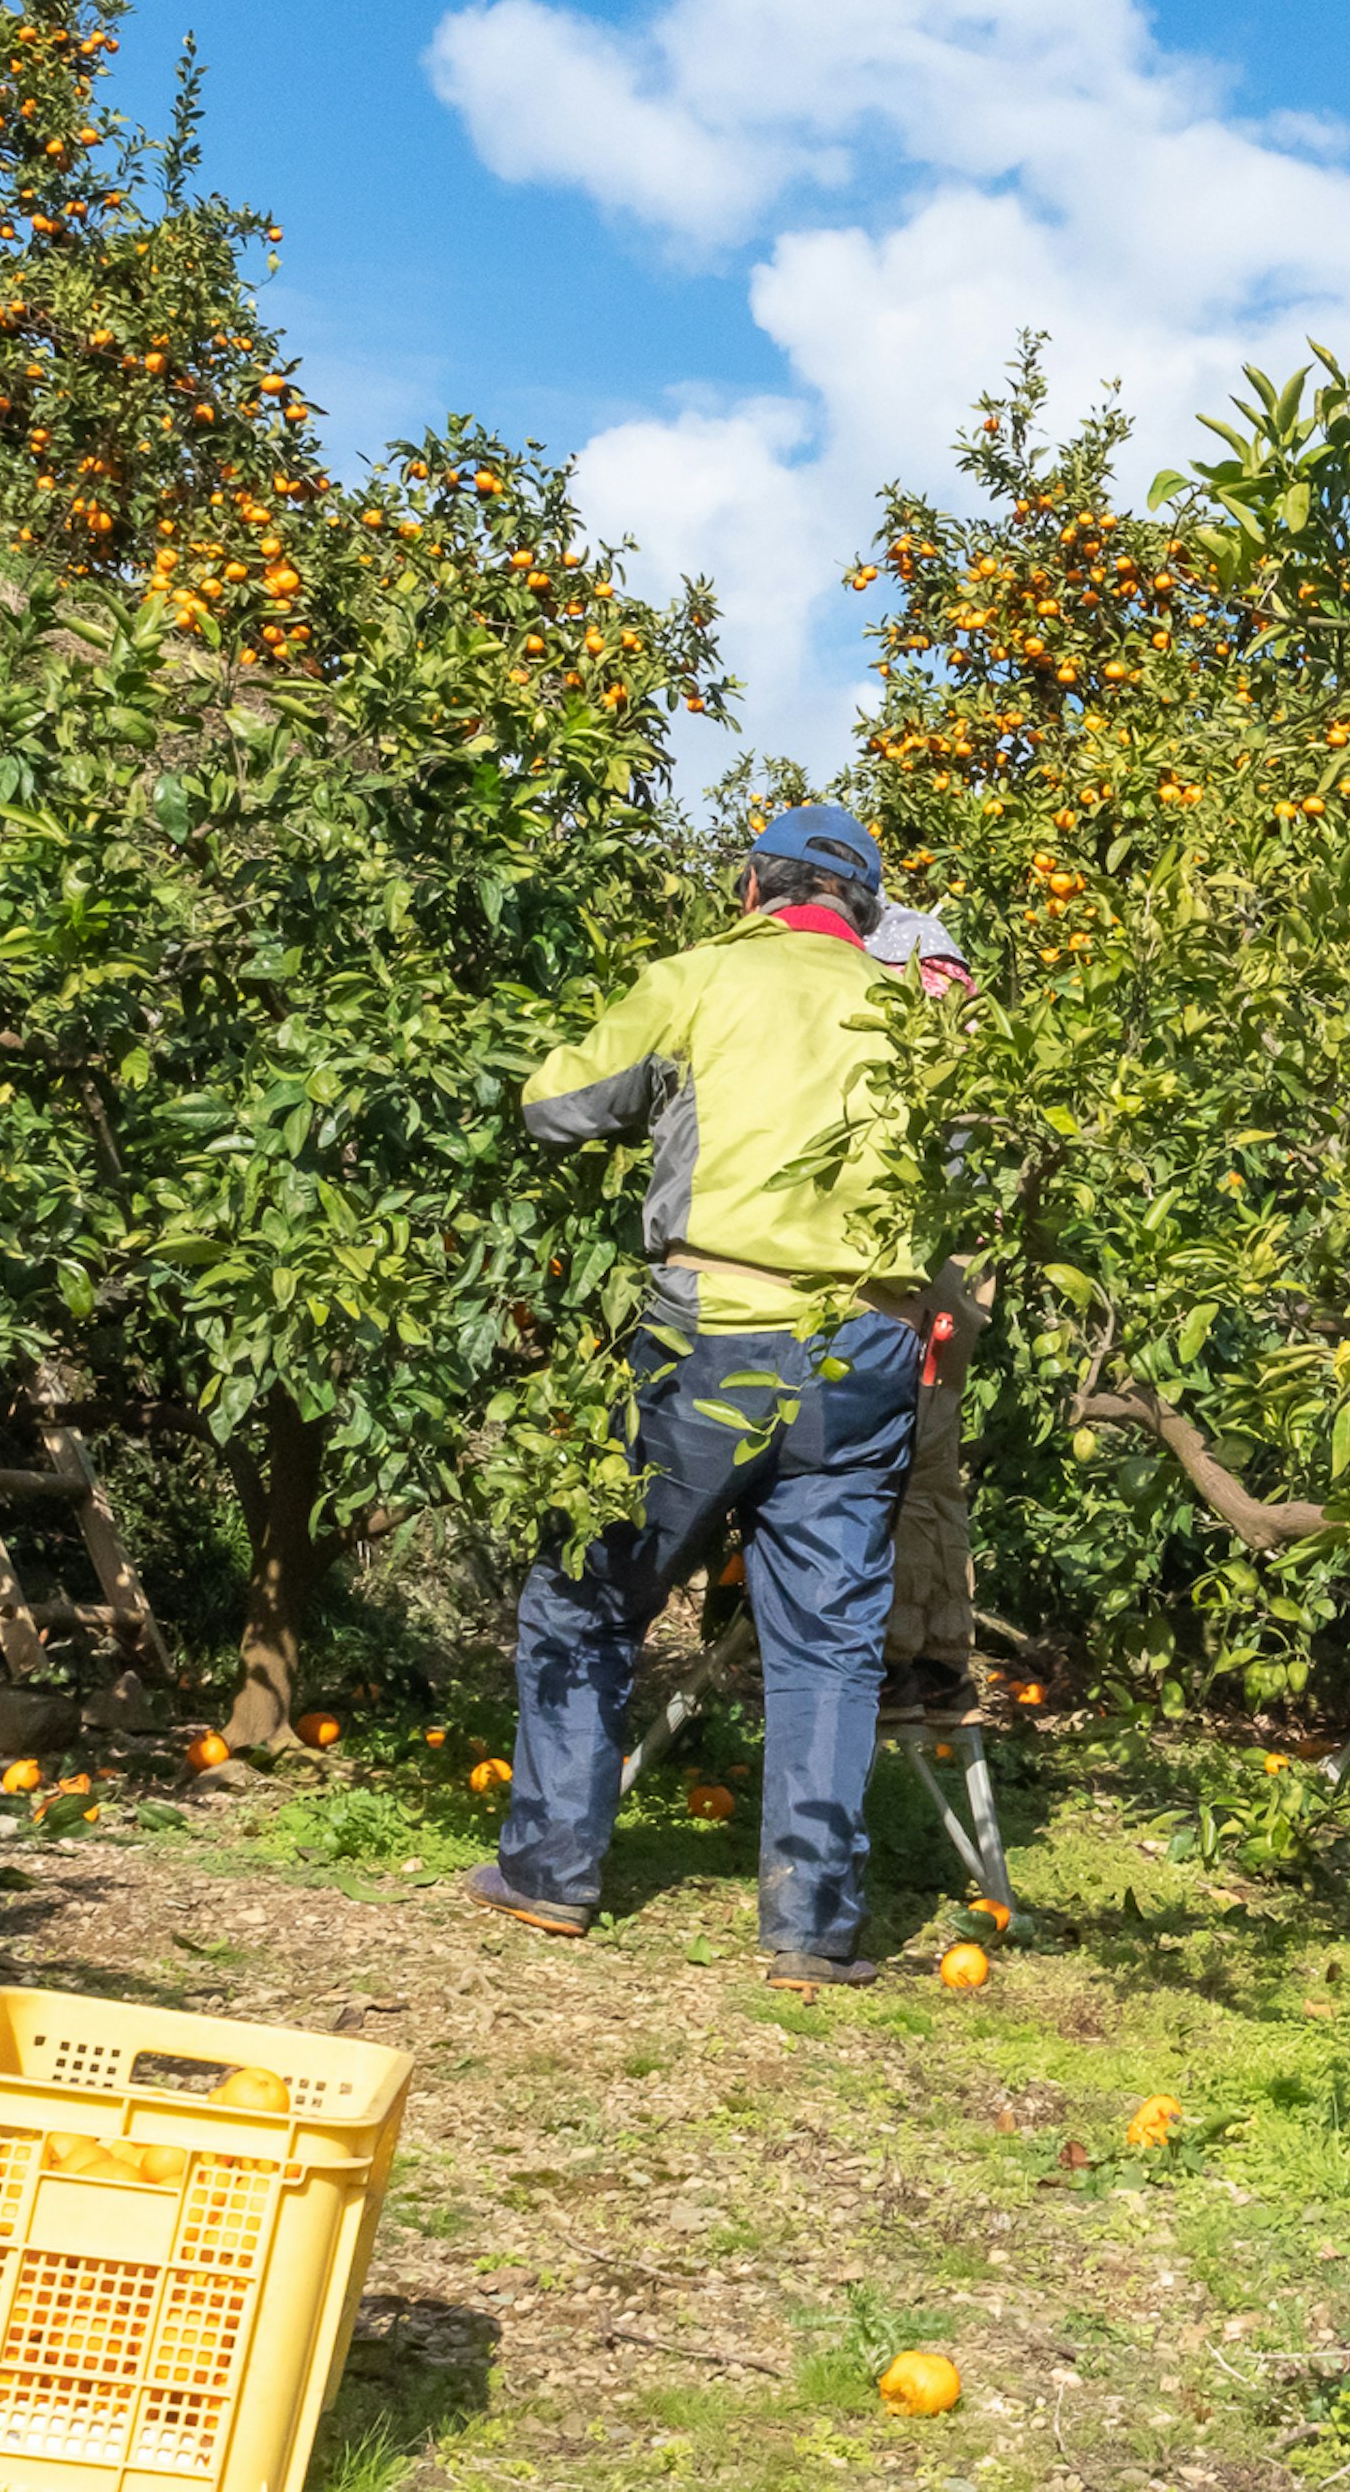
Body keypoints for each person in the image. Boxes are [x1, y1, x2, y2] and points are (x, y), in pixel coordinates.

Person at [466, 803, 928, 1991]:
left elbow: (555, 1106)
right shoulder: (921, 1019)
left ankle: (549, 1870)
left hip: (717, 1330)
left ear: (752, 887)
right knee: (828, 1647)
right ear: (863, 917)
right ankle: (810, 1931)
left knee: (590, 1590)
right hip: (867, 1346)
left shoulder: (699, 981)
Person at [862, 901, 988, 1727]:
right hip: (957, 1269)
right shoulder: (959, 999)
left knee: (892, 1462)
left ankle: (895, 1658)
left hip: (907, 1272)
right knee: (931, 1462)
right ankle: (937, 1658)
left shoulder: (886, 1012)